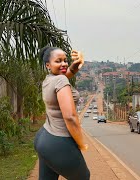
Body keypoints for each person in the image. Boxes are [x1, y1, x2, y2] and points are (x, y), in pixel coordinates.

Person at [34, 46, 90, 180]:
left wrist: (76, 65)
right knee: (83, 177)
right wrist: (81, 143)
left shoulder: (50, 79)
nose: (64, 64)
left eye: (65, 60)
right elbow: (70, 117)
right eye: (58, 61)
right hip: (59, 141)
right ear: (48, 65)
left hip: (43, 138)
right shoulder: (60, 80)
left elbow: (67, 73)